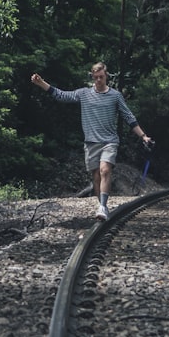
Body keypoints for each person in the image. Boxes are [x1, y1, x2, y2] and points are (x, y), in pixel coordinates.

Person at [31, 63, 151, 221]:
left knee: (105, 170)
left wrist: (143, 136)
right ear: (93, 77)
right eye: (96, 78)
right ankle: (102, 205)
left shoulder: (115, 96)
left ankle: (102, 207)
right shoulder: (84, 94)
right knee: (96, 177)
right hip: (91, 143)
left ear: (106, 76)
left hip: (110, 141)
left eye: (101, 77)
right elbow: (61, 95)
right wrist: (41, 83)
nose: (99, 80)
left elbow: (129, 117)